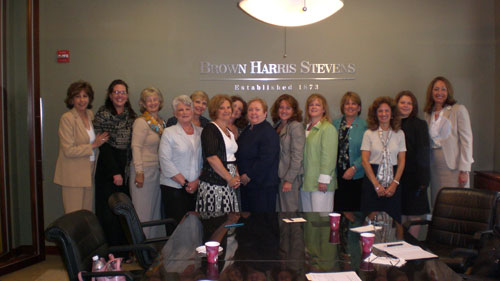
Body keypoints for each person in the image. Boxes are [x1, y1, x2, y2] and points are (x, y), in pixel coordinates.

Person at [94, 79, 136, 255]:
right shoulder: (102, 115)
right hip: (108, 167)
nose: (120, 95)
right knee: (108, 212)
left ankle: (125, 251)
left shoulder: (132, 116)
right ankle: (111, 252)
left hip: (126, 167)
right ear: (110, 95)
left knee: (124, 211)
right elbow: (104, 146)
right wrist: (115, 172)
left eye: (123, 92)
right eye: (116, 92)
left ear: (127, 95)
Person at [54, 81, 109, 213]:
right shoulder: (67, 118)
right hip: (73, 175)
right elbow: (68, 150)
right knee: (74, 217)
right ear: (71, 99)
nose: (82, 100)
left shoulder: (90, 115)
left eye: (85, 96)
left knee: (87, 215)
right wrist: (93, 145)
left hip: (89, 171)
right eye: (77, 96)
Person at [423, 76, 473, 206]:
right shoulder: (428, 113)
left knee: (456, 203)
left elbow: (467, 141)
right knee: (439, 203)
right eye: (436, 89)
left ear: (448, 91)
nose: (439, 93)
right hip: (434, 165)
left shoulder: (458, 110)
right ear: (431, 92)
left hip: (454, 166)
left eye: (443, 89)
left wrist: (464, 170)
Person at [361, 96, 406, 237]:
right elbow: (364, 160)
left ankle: (397, 253)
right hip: (372, 178)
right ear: (375, 114)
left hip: (394, 179)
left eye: (387, 111)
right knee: (370, 220)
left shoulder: (399, 134)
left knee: (396, 221)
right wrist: (376, 185)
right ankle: (369, 255)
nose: (383, 114)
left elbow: (402, 160)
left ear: (392, 114)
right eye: (380, 111)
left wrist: (395, 184)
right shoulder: (369, 133)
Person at [159, 95, 202, 229]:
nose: (184, 113)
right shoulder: (169, 132)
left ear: (192, 111)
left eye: (187, 109)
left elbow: (204, 161)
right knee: (177, 228)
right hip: (174, 188)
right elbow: (165, 160)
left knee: (195, 228)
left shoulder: (201, 132)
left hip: (196, 187)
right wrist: (185, 183)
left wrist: (196, 182)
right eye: (180, 110)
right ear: (174, 114)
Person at [129, 87, 166, 238]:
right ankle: (142, 251)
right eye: (148, 100)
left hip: (156, 171)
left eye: (155, 99)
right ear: (143, 104)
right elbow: (135, 147)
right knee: (142, 213)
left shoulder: (160, 123)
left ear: (160, 101)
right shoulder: (141, 122)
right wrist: (139, 172)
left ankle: (152, 248)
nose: (152, 103)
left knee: (154, 212)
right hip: (142, 171)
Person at [196, 94, 240, 217]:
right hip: (215, 183)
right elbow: (212, 157)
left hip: (228, 182)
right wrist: (229, 178)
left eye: (228, 107)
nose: (226, 111)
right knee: (216, 225)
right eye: (222, 108)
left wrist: (236, 175)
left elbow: (232, 156)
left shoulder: (229, 131)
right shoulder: (210, 129)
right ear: (215, 110)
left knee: (229, 222)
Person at [396, 91, 431, 238]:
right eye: (402, 102)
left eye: (409, 103)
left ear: (414, 106)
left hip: (415, 177)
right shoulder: (392, 124)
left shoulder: (420, 124)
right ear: (396, 104)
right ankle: (402, 250)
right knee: (401, 214)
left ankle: (412, 248)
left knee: (414, 216)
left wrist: (423, 181)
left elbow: (423, 153)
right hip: (397, 177)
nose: (405, 106)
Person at [236, 98, 280, 212]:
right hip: (248, 185)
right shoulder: (248, 129)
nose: (253, 112)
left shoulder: (268, 132)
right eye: (250, 109)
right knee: (250, 222)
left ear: (265, 113)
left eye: (257, 109)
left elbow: (266, 159)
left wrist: (248, 175)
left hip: (262, 186)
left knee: (262, 222)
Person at [333, 92, 367, 222]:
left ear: (359, 107)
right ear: (343, 106)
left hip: (356, 176)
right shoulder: (334, 125)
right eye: (347, 103)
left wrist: (354, 168)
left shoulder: (365, 126)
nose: (350, 106)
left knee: (354, 214)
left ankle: (353, 241)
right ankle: (339, 241)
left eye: (354, 103)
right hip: (337, 176)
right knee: (338, 212)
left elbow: (367, 152)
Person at [302, 93, 338, 212]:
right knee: (309, 220)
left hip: (321, 183)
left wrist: (324, 179)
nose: (313, 107)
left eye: (317, 105)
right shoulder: (306, 128)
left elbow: (329, 157)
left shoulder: (328, 128)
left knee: (321, 221)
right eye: (311, 104)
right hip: (306, 181)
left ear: (324, 109)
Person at [270, 94, 305, 212]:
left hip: (290, 179)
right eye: (281, 107)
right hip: (279, 177)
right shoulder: (277, 125)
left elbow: (297, 156)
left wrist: (289, 180)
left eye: (288, 108)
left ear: (294, 110)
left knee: (290, 215)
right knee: (281, 214)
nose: (284, 110)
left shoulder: (295, 127)